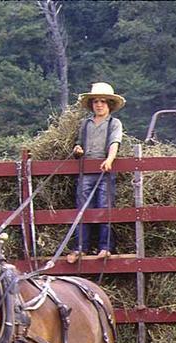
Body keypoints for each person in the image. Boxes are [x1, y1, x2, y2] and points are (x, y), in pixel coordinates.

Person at [66, 82, 125, 264]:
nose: (99, 105)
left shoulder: (114, 123)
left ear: (110, 105)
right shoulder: (85, 124)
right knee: (83, 207)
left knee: (104, 207)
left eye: (103, 102)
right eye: (96, 102)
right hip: (86, 171)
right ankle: (80, 247)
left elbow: (115, 143)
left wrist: (109, 159)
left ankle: (105, 247)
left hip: (104, 171)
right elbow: (79, 144)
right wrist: (77, 150)